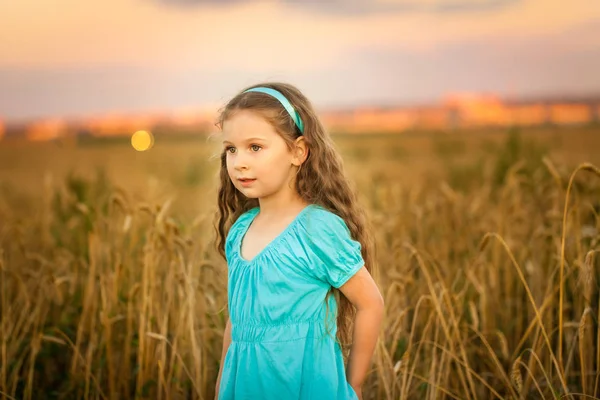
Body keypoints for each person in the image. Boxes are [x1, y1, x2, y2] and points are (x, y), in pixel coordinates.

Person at [213, 82, 385, 400]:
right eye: (231, 149)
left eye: (255, 147)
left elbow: (370, 303)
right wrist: (222, 386)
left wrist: (354, 384)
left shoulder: (316, 230)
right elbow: (236, 323)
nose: (239, 162)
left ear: (298, 151)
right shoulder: (240, 230)